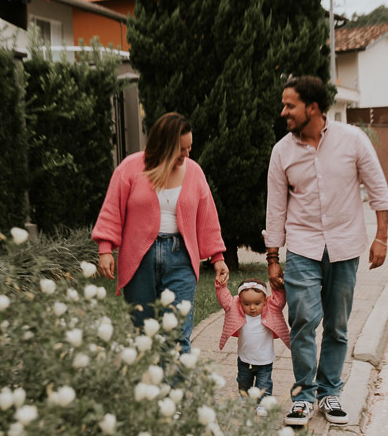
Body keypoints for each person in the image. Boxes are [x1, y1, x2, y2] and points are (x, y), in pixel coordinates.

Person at [264, 76, 388, 427]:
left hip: (345, 247)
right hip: (303, 248)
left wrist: (381, 238)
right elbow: (275, 209)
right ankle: (304, 394)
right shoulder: (282, 152)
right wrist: (273, 258)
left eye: (290, 105)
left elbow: (379, 191)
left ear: (314, 108)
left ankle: (329, 391)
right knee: (304, 320)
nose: (284, 111)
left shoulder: (353, 140)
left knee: (337, 324)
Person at [92, 112, 229, 353]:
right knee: (144, 334)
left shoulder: (194, 172)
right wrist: (105, 248)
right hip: (139, 258)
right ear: (163, 146)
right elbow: (112, 208)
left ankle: (174, 390)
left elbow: (207, 217)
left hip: (181, 258)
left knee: (177, 335)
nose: (187, 155)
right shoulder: (131, 168)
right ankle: (150, 388)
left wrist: (217, 257)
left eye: (190, 148)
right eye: (181, 149)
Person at [216, 277, 290, 416]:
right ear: (239, 302)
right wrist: (221, 287)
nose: (252, 307)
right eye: (247, 303)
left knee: (264, 384)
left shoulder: (270, 310)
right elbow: (225, 301)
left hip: (265, 360)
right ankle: (245, 398)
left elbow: (279, 300)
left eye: (257, 303)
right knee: (243, 381)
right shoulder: (236, 310)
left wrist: (278, 287)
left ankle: (264, 403)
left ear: (265, 301)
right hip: (245, 359)